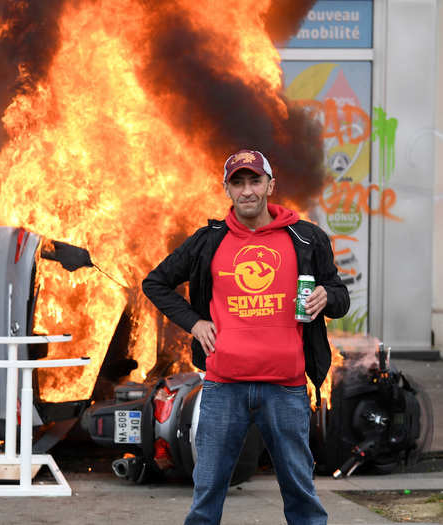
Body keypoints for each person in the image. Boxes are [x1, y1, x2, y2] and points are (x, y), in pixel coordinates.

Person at [142, 149, 350, 525]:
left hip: (285, 389)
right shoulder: (209, 241)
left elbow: (340, 295)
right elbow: (155, 282)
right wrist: (194, 322)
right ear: (227, 189)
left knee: (301, 495)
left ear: (271, 185)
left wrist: (327, 296)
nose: (247, 190)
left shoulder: (306, 239)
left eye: (255, 181)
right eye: (238, 183)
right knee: (206, 496)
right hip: (224, 388)